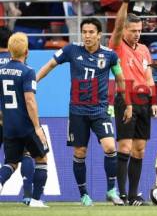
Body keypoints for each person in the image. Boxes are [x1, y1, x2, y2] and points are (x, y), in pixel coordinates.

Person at [36, 17, 130, 206]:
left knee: (110, 147)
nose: (87, 36)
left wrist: (127, 103)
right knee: (80, 152)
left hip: (100, 110)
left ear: (99, 35)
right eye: (84, 32)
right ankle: (84, 194)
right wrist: (34, 80)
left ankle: (112, 190)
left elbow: (120, 79)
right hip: (77, 111)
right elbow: (50, 65)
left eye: (91, 32)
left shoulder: (110, 55)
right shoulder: (71, 50)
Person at [109, 0, 157, 206]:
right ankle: (120, 194)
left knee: (140, 150)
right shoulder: (117, 45)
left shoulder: (144, 50)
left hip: (143, 100)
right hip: (125, 97)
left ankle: (133, 195)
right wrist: (125, 2)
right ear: (125, 30)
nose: (137, 33)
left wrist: (155, 101)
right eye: (133, 30)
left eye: (139, 30)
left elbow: (149, 77)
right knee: (125, 147)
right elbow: (118, 26)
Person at [0, 32, 49, 207]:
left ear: (9, 51)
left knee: (11, 162)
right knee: (41, 159)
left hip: (9, 125)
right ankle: (35, 199)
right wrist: (37, 127)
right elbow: (30, 100)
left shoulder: (1, 71)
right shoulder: (28, 71)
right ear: (27, 52)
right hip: (26, 125)